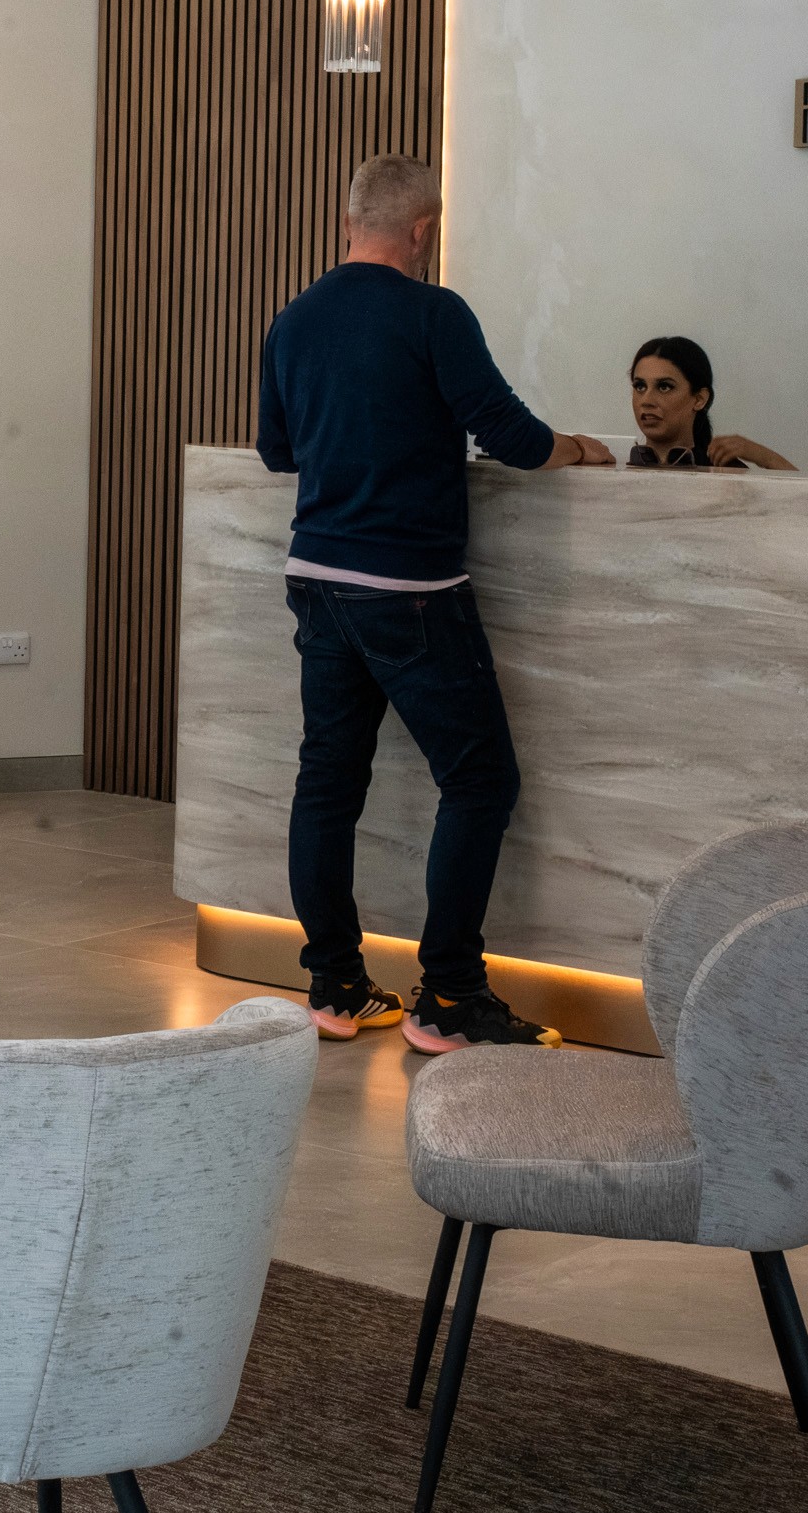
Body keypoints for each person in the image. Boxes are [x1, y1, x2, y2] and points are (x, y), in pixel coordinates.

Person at [255, 155, 614, 1055]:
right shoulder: (432, 311)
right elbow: (516, 440)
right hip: (410, 590)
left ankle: (337, 988)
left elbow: (275, 451)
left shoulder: (293, 320)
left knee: (327, 782)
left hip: (317, 580)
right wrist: (577, 448)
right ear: (421, 229)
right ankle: (448, 995)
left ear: (350, 221)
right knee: (482, 780)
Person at [626, 336, 796, 470]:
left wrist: (763, 456)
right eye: (640, 386)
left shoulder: (724, 472)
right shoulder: (614, 464)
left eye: (664, 387)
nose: (647, 400)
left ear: (700, 399)